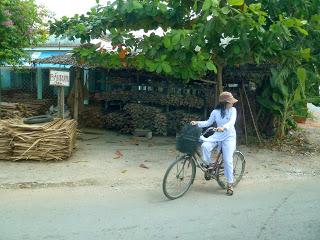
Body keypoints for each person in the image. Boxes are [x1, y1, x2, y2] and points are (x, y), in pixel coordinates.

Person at [191, 91, 238, 196]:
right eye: (230, 102)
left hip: (229, 137)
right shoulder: (215, 112)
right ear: (224, 103)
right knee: (205, 146)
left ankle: (230, 184)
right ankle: (209, 166)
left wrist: (223, 127)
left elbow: (232, 122)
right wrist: (197, 123)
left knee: (227, 160)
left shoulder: (233, 110)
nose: (232, 103)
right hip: (217, 135)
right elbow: (208, 123)